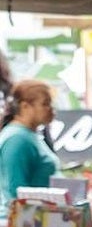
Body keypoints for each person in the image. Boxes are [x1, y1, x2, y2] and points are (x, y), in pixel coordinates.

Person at [1, 80, 60, 216]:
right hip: (25, 225)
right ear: (25, 106)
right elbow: (15, 191)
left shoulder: (30, 135)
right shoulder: (17, 139)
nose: (51, 109)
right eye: (45, 104)